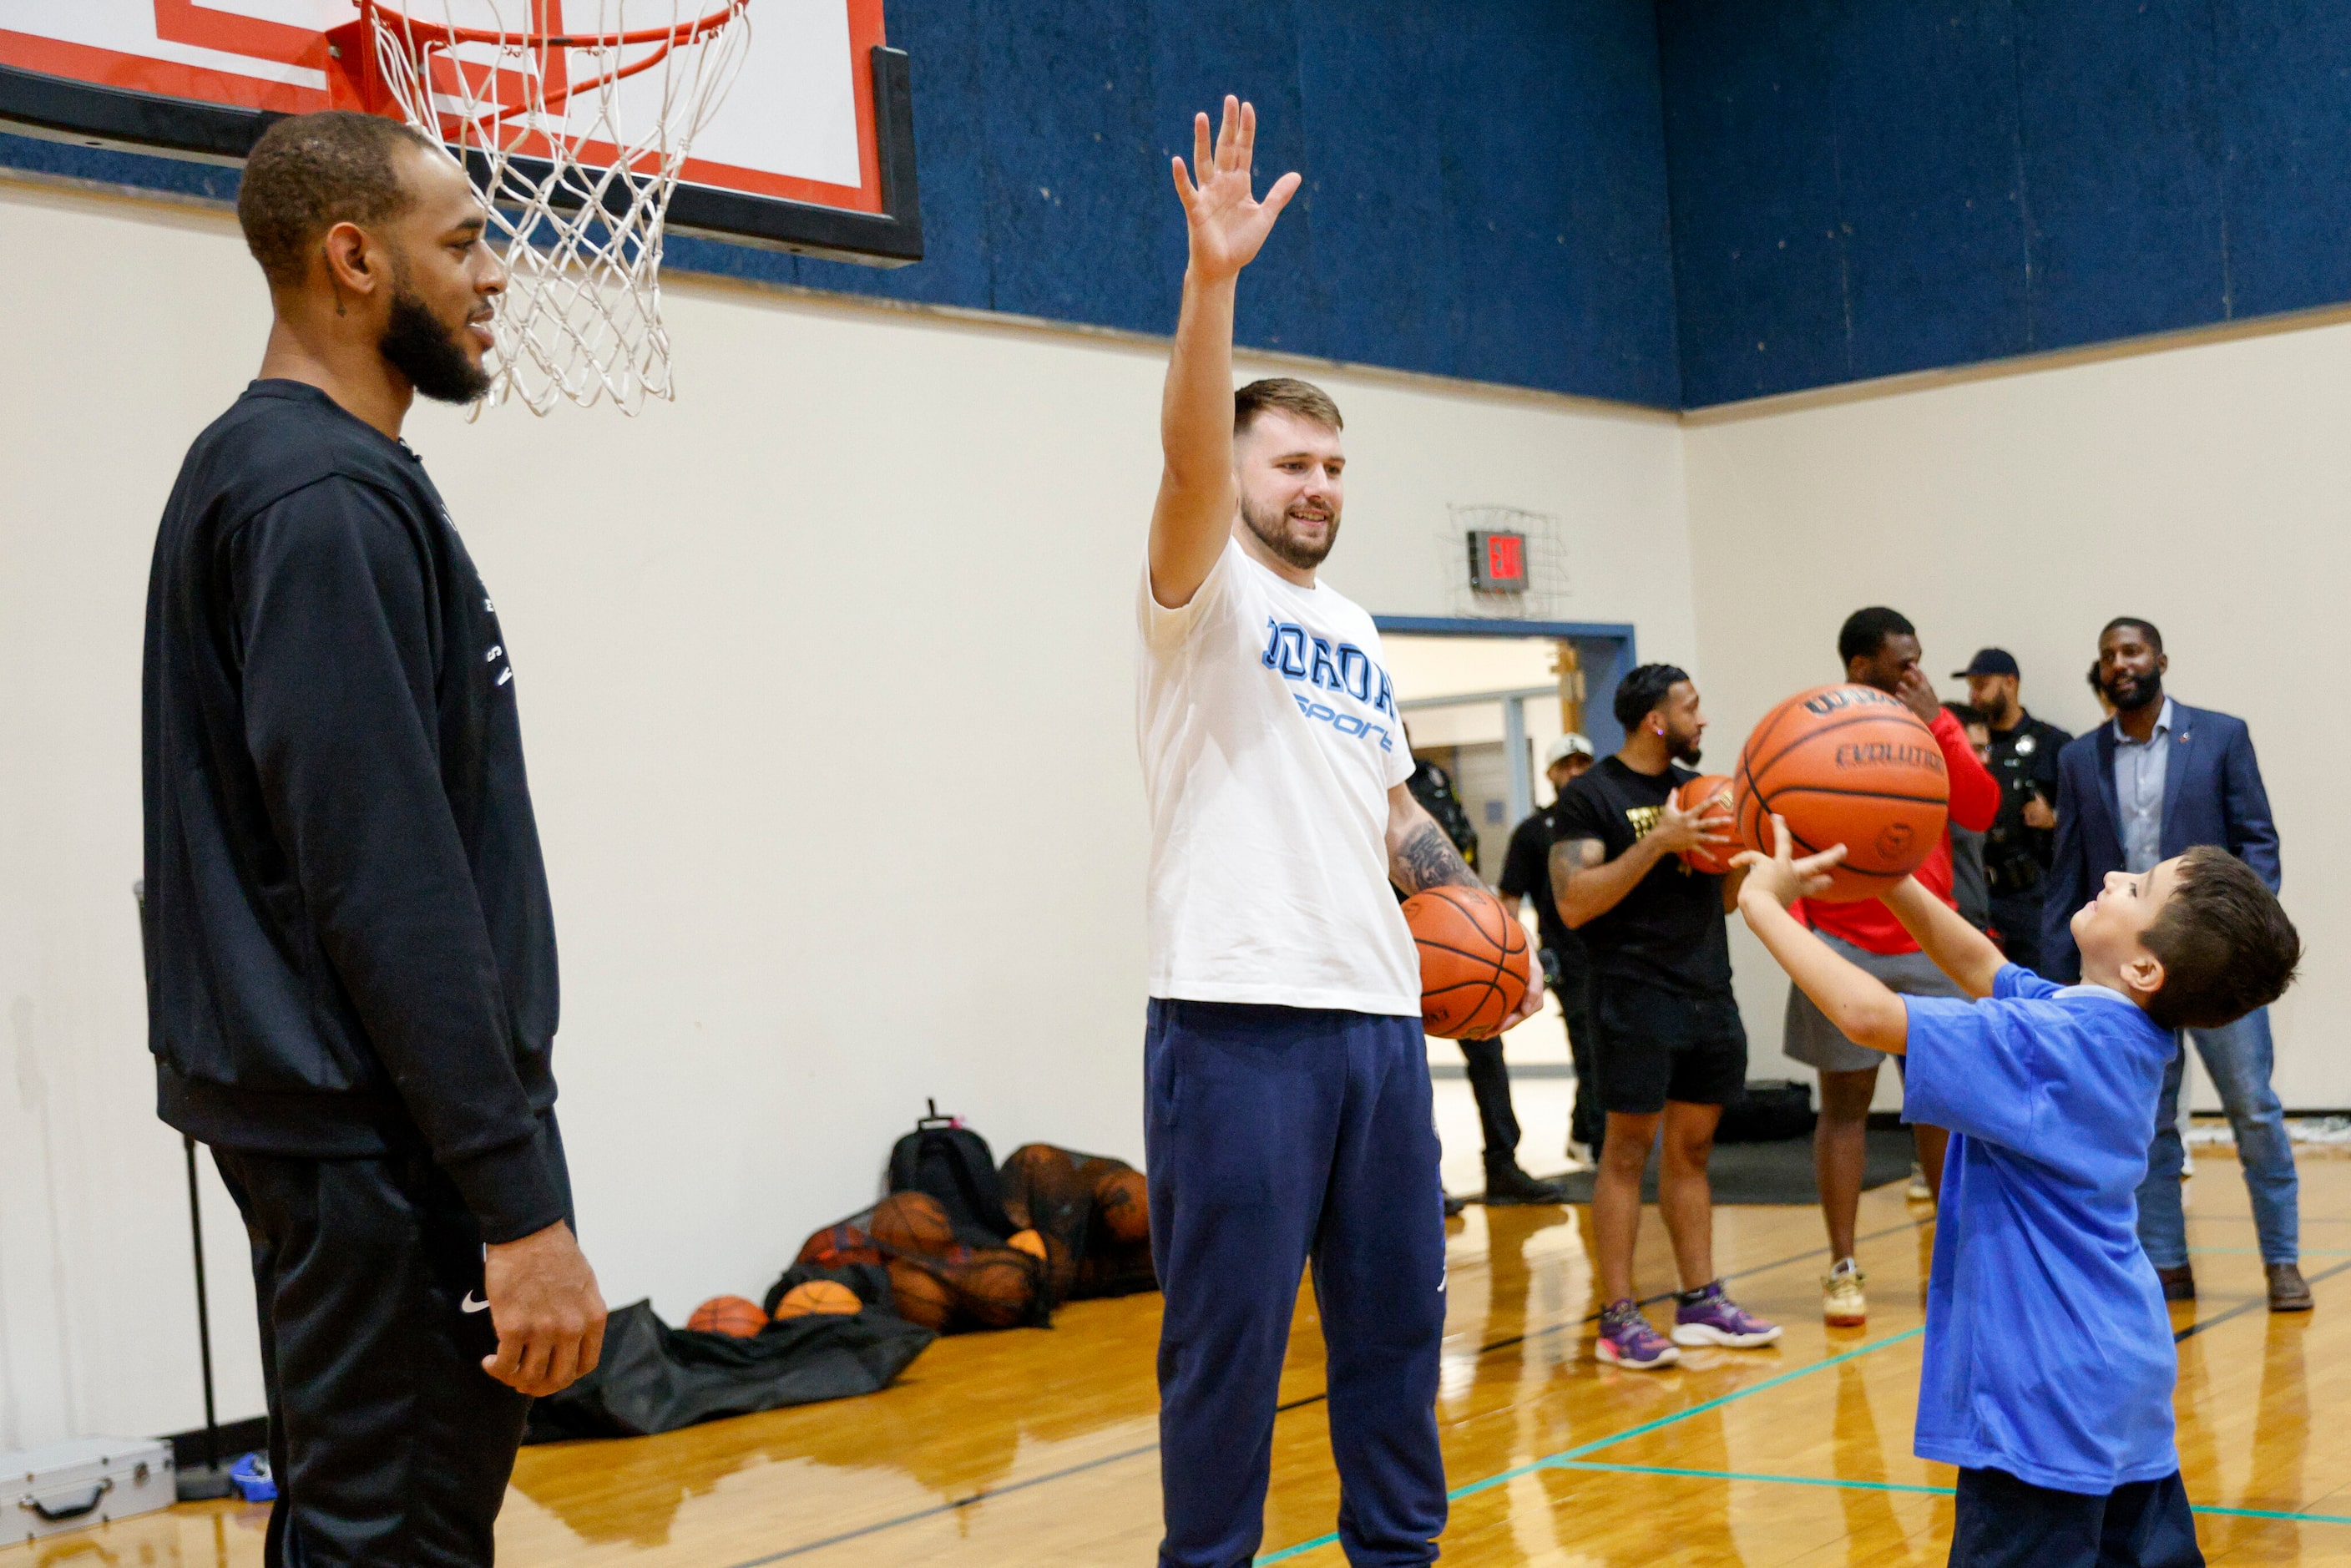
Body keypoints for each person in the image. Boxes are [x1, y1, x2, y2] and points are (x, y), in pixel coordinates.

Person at [142, 112, 604, 1566]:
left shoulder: (287, 474)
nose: (497, 275)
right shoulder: (320, 495)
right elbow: (383, 878)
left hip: (346, 1131)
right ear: (354, 257)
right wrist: (517, 1202)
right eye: (463, 239)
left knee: (359, 1522)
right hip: (381, 1144)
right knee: (393, 1538)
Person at [1135, 97, 1544, 1566]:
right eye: (1289, 462)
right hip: (1236, 1011)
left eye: (1332, 466)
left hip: (1377, 1019)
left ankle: (1402, 1553)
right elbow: (1185, 464)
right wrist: (1211, 284)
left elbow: (1389, 810)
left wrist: (1489, 922)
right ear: (1244, 473)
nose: (1315, 486)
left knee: (1394, 1333)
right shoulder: (1200, 591)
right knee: (1228, 1350)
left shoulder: (1358, 627)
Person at [1737, 821, 2298, 1568]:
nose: (2114, 878)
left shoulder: (2049, 1045)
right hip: (2119, 1377)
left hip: (2043, 1395)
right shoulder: (2115, 1031)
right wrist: (1890, 874)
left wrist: (1763, 906)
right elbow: (1980, 963)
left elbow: (1867, 1016)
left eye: (2138, 888)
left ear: (2143, 969)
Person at [2044, 618, 2307, 1312]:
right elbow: (2067, 870)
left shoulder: (2221, 735)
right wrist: (2055, 971)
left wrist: (2235, 942)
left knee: (2254, 1110)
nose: (2119, 664)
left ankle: (2282, 1261)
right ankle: (2166, 1265)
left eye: (2131, 651)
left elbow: (2259, 844)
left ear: (2160, 659)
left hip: (2212, 969)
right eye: (2107, 655)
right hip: (2133, 979)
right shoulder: (2079, 759)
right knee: (2150, 1124)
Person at [1550, 665, 1779, 1369]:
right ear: (1657, 719)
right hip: (1632, 996)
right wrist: (1658, 842)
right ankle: (1618, 1316)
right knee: (1624, 1155)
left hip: (1707, 991)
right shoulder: (1593, 796)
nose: (1701, 719)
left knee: (1693, 1153)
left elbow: (1730, 900)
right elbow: (1574, 901)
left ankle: (1700, 1302)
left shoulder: (1702, 792)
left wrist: (1752, 853)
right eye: (1690, 707)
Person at [1779, 609, 1999, 1328]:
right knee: (1844, 1111)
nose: (1916, 672)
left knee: (1943, 1110)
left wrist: (1939, 724)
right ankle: (1843, 1265)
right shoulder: (1817, 728)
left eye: (1919, 659)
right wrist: (1803, 923)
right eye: (1903, 661)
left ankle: (1958, 1261)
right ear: (1860, 664)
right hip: (1844, 942)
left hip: (1926, 942)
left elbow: (1980, 808)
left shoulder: (1927, 727)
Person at [1499, 734, 1601, 1168]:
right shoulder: (1531, 833)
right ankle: (1593, 1138)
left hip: (1613, 953)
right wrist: (1520, 961)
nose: (1576, 771)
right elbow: (1508, 899)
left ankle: (1582, 1132)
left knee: (1610, 1048)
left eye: (1583, 762)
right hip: (1566, 957)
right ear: (1551, 773)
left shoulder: (1605, 822)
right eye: (1567, 764)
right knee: (1589, 1049)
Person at [1957, 648, 2072, 973]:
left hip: (2030, 897)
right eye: (1971, 687)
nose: (1973, 695)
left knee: (2037, 988)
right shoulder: (1970, 742)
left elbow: (2082, 822)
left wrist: (2053, 820)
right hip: (1975, 894)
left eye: (1981, 685)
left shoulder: (2053, 743)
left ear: (2009, 683)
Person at [1943, 702, 1995, 933]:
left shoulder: (1975, 797)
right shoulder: (1931, 800)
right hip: (1946, 929)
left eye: (1987, 749)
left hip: (1976, 925)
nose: (1985, 759)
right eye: (1976, 748)